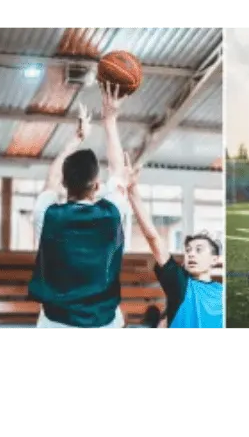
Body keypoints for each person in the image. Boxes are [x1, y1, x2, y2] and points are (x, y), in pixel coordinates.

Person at [29, 83, 132, 328]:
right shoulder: (112, 212)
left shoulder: (47, 213)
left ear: (64, 184)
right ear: (97, 185)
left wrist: (74, 141)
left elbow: (51, 181)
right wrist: (110, 120)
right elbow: (118, 170)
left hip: (55, 324)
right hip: (102, 323)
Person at [124, 156, 224, 329]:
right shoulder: (181, 285)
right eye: (189, 250)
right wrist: (133, 193)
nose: (191, 253)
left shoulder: (221, 292)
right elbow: (153, 238)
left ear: (215, 259)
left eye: (199, 249)